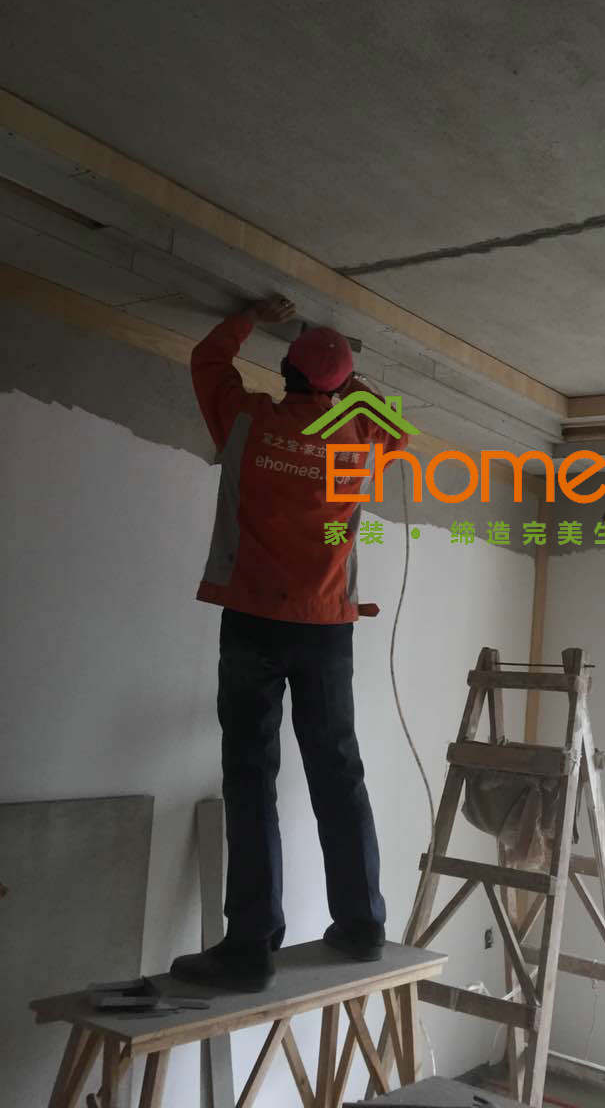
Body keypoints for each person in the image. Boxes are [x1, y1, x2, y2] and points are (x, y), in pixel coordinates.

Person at [171, 295, 407, 991]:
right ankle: (361, 925)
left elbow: (208, 361)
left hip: (253, 618)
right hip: (326, 627)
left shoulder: (248, 422)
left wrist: (247, 315)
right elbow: (395, 425)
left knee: (250, 777)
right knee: (338, 771)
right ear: (341, 388)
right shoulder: (360, 436)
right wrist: (349, 382)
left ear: (285, 374)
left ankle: (250, 947)